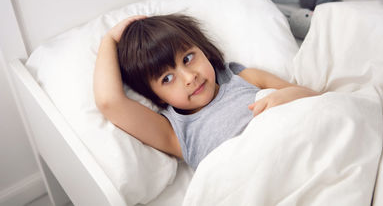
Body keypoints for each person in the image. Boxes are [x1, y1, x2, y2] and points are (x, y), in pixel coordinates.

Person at [94, 14, 320, 169]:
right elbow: (109, 102)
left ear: (202, 49)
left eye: (188, 58)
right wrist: (109, 40)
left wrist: (287, 96)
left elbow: (318, 100)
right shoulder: (174, 133)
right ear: (156, 97)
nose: (189, 77)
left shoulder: (244, 78)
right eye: (167, 78)